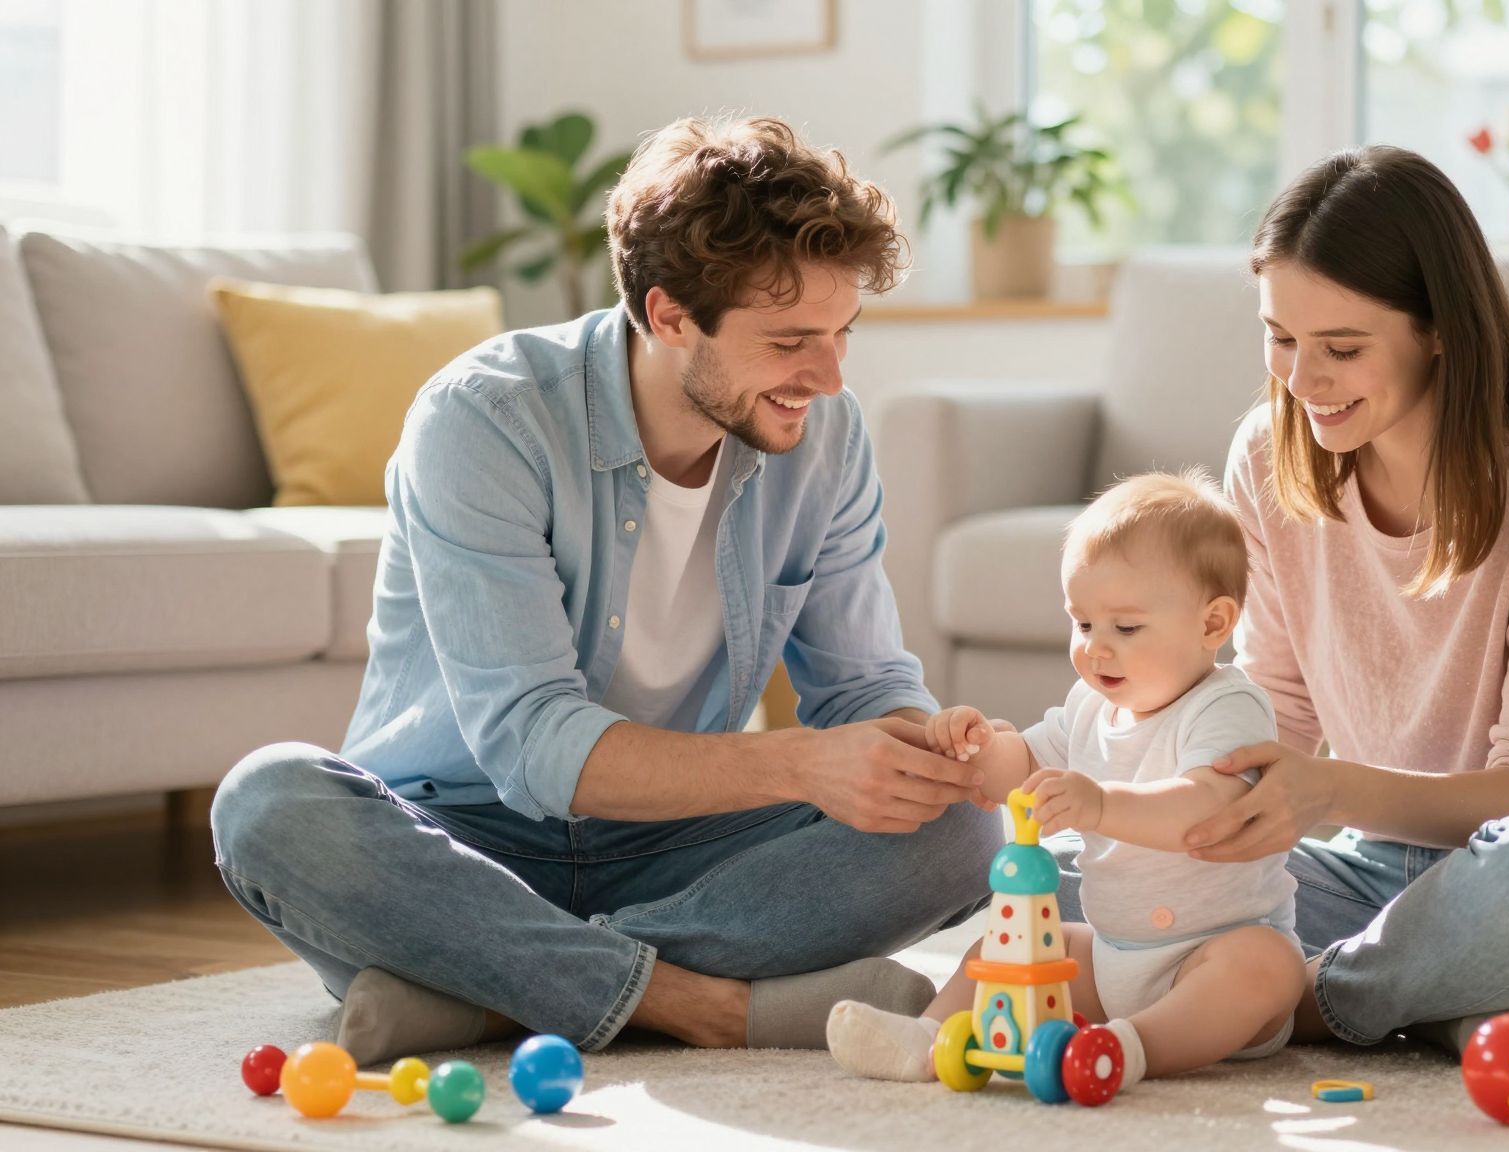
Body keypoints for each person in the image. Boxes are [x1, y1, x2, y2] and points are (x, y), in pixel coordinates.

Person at [209, 115, 1001, 1062]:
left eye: (841, 335)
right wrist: (801, 763)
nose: (828, 378)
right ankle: (699, 1006)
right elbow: (533, 744)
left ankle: (485, 992)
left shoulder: (825, 437)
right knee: (266, 804)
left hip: (677, 847)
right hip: (457, 839)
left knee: (963, 828)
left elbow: (864, 685)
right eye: (792, 340)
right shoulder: (485, 418)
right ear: (669, 316)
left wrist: (929, 751)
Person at [1171, 145, 1509, 1053]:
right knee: (1083, 865)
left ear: (1441, 327)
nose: (1302, 381)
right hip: (1368, 882)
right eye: (1281, 338)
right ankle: (1436, 998)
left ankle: (1289, 997)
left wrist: (1329, 791)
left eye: (1342, 349)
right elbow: (1276, 710)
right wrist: (1157, 810)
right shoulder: (1268, 454)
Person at [827, 471, 1303, 1087]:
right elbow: (1025, 766)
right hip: (1111, 959)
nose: (1096, 649)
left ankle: (1130, 1050)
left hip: (1214, 956)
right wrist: (974, 748)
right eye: (1083, 625)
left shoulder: (1227, 706)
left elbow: (1207, 809)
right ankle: (926, 1037)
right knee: (1007, 948)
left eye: (1125, 629)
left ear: (1213, 624)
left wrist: (1100, 805)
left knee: (1267, 966)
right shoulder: (1090, 705)